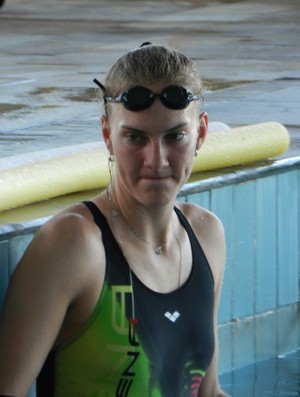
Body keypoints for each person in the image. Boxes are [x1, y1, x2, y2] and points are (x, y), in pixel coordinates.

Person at [0, 43, 229, 397]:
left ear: (201, 132)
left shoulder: (207, 235)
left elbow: (208, 392)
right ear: (107, 135)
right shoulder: (74, 245)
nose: (157, 161)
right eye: (135, 138)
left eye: (175, 136)